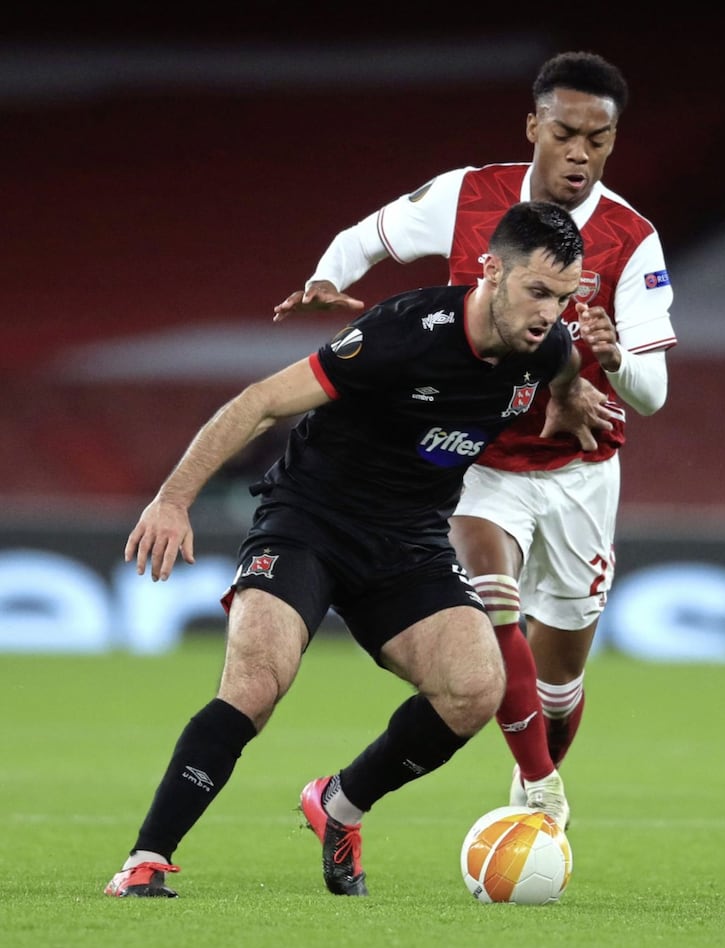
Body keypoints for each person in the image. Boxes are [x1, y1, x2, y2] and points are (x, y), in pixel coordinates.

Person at [104, 201, 613, 900]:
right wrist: (172, 498)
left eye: (562, 297)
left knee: (475, 689)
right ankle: (147, 858)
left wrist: (572, 396)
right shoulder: (403, 333)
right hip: (309, 522)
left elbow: (560, 371)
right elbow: (259, 401)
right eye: (536, 291)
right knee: (255, 686)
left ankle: (338, 806)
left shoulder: (546, 349)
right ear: (491, 272)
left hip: (407, 544)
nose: (549, 312)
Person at [273, 51, 677, 815]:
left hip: (580, 471)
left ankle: (528, 793)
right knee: (494, 615)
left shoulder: (633, 238)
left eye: (599, 138)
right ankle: (540, 792)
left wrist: (618, 358)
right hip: (477, 458)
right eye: (566, 133)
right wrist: (329, 278)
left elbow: (652, 395)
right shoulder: (467, 195)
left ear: (614, 141)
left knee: (558, 694)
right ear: (534, 126)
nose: (581, 153)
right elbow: (365, 238)